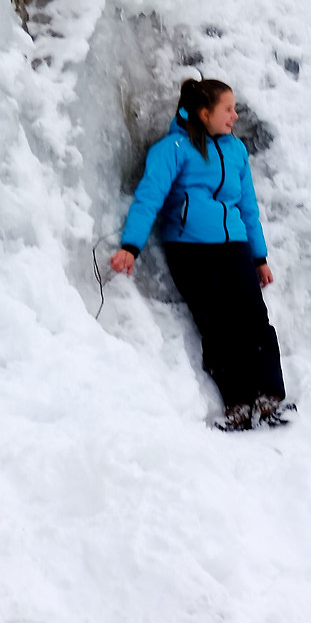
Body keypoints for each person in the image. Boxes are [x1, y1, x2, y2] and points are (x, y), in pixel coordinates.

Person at [110, 77, 291, 431]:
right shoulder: (172, 149)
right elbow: (149, 198)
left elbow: (248, 207)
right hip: (190, 249)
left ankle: (269, 396)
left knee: (254, 318)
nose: (235, 116)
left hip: (235, 244)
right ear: (204, 113)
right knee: (217, 323)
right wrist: (131, 246)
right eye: (228, 109)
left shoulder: (236, 151)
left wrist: (259, 257)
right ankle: (237, 402)